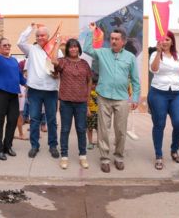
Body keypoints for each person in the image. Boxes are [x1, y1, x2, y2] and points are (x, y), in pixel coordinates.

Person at [84, 23, 140, 173]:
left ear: (123, 41)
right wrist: (91, 33)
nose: (113, 41)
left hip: (122, 98)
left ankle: (119, 157)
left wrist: (135, 98)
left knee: (120, 131)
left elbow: (135, 80)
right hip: (104, 97)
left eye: (117, 39)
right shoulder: (102, 52)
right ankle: (105, 159)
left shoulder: (130, 57)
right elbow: (87, 49)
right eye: (112, 38)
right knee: (103, 130)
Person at [17, 23, 61, 159]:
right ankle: (34, 146)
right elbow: (20, 42)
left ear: (48, 36)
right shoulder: (31, 49)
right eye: (38, 35)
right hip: (35, 90)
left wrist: (57, 73)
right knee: (34, 119)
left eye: (42, 35)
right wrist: (30, 28)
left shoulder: (56, 49)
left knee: (52, 120)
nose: (40, 37)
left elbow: (60, 68)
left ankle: (53, 145)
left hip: (51, 90)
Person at [148, 30, 179, 170]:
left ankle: (174, 150)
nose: (164, 42)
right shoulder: (154, 54)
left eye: (167, 39)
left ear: (172, 41)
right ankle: (158, 155)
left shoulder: (178, 57)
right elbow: (154, 69)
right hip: (158, 93)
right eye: (162, 39)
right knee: (159, 124)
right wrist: (158, 53)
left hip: (176, 94)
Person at [52, 38, 92, 169]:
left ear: (79, 48)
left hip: (81, 103)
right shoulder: (63, 62)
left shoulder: (85, 64)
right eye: (71, 47)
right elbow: (53, 61)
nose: (73, 49)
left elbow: (89, 82)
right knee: (65, 130)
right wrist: (58, 44)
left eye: (75, 46)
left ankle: (83, 156)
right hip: (66, 102)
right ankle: (64, 157)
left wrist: (87, 103)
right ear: (67, 49)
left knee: (81, 129)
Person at [0, 29, 26, 161]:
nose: (8, 47)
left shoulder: (14, 60)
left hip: (13, 95)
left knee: (12, 121)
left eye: (9, 45)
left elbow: (20, 78)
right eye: (4, 45)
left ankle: (7, 146)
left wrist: (30, 84)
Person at [87, 75, 99, 150]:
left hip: (98, 113)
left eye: (95, 84)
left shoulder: (100, 92)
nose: (94, 86)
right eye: (92, 84)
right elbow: (85, 103)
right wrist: (87, 111)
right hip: (90, 113)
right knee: (89, 128)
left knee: (99, 129)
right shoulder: (87, 92)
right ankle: (90, 142)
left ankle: (99, 142)